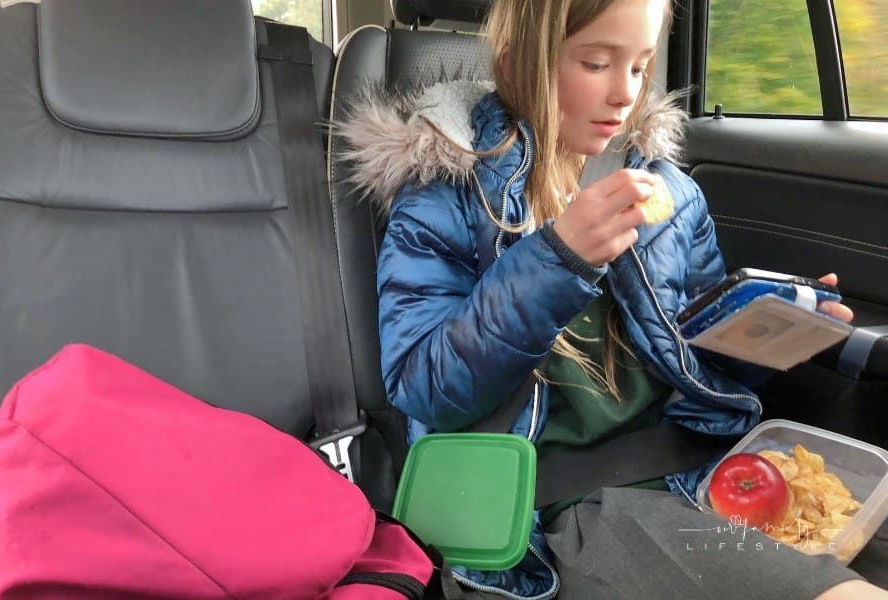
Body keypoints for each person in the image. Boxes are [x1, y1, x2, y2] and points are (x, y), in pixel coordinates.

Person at [336, 0, 884, 598]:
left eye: (640, 66)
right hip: (562, 500)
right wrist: (558, 259)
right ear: (517, 64)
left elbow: (696, 354)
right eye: (597, 63)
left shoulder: (671, 193)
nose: (625, 93)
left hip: (699, 458)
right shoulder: (446, 199)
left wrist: (768, 334)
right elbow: (424, 386)